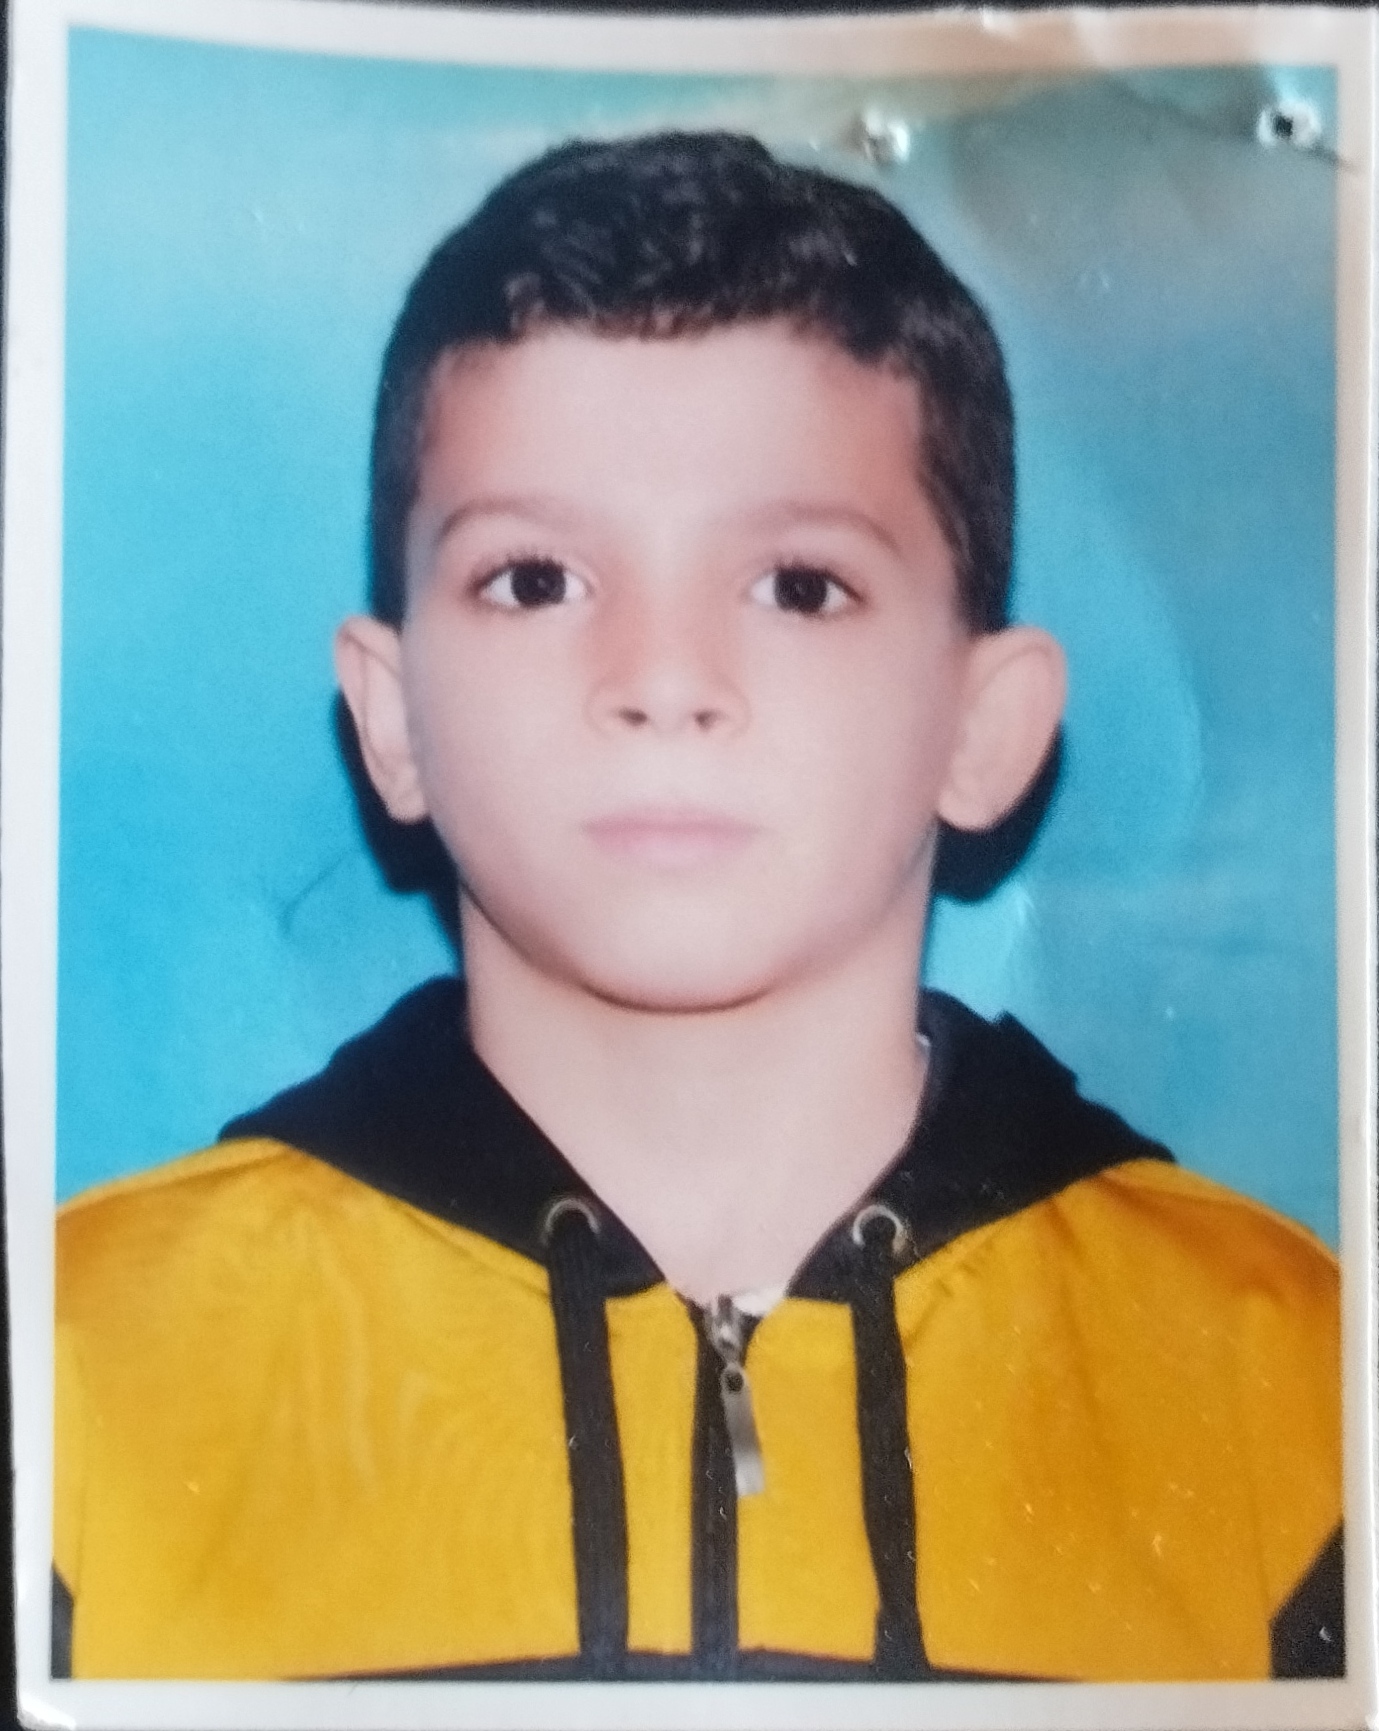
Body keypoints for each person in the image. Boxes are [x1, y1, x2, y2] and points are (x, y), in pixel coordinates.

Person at [53, 131, 1342, 1684]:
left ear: (983, 725)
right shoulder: (76, 1375)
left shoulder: (1295, 1390)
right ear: (392, 719)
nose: (663, 681)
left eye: (799, 586)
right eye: (536, 580)